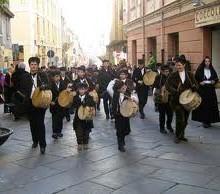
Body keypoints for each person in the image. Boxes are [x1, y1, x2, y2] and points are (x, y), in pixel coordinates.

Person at [166, 57, 198, 143]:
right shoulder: (173, 75)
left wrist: (194, 88)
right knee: (180, 118)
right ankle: (177, 136)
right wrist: (175, 91)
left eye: (180, 65)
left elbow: (196, 85)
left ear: (184, 65)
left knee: (186, 120)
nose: (178, 67)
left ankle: (181, 135)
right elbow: (167, 85)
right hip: (176, 100)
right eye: (177, 65)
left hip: (187, 101)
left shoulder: (190, 74)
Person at [23, 57, 50, 154]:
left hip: (40, 102)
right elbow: (23, 89)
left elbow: (48, 85)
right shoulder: (26, 76)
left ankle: (43, 145)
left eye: (35, 64)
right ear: (29, 65)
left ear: (38, 65)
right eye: (32, 64)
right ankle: (35, 141)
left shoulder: (42, 75)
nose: (33, 66)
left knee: (40, 124)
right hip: (30, 103)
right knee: (32, 123)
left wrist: (43, 87)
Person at [192, 56, 220, 128]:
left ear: (210, 62)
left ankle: (210, 120)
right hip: (203, 90)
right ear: (204, 62)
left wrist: (214, 81)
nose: (207, 63)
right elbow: (195, 79)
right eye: (206, 61)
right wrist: (200, 82)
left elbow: (216, 78)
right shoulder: (200, 70)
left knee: (211, 105)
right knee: (204, 105)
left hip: (210, 90)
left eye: (208, 61)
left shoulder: (212, 69)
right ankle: (204, 121)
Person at [112, 81, 138, 152]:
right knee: (119, 130)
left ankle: (122, 140)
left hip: (126, 115)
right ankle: (120, 144)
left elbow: (132, 102)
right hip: (118, 115)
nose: (124, 88)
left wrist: (132, 100)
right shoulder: (116, 95)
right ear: (118, 89)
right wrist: (114, 114)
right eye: (122, 88)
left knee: (125, 130)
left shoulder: (127, 94)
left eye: (125, 87)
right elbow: (113, 105)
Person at [72, 83, 96, 150]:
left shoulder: (89, 97)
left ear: (86, 90)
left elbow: (93, 104)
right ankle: (79, 143)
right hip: (78, 117)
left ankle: (86, 143)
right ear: (78, 90)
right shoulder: (75, 97)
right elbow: (73, 105)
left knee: (87, 131)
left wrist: (89, 106)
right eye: (80, 89)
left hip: (87, 117)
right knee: (78, 131)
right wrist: (80, 103)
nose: (81, 91)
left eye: (83, 89)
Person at [153, 65, 173, 134]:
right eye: (165, 71)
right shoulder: (158, 77)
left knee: (170, 114)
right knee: (162, 114)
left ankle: (169, 125)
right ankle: (162, 128)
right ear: (162, 71)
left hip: (170, 98)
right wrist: (161, 87)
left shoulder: (171, 77)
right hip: (161, 98)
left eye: (168, 71)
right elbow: (154, 85)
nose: (167, 73)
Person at [50, 70, 66, 139]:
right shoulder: (50, 85)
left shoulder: (63, 84)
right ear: (53, 77)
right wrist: (51, 101)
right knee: (54, 118)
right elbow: (48, 95)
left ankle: (59, 131)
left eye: (58, 76)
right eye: (56, 76)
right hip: (54, 104)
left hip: (61, 104)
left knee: (60, 118)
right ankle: (54, 132)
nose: (57, 78)